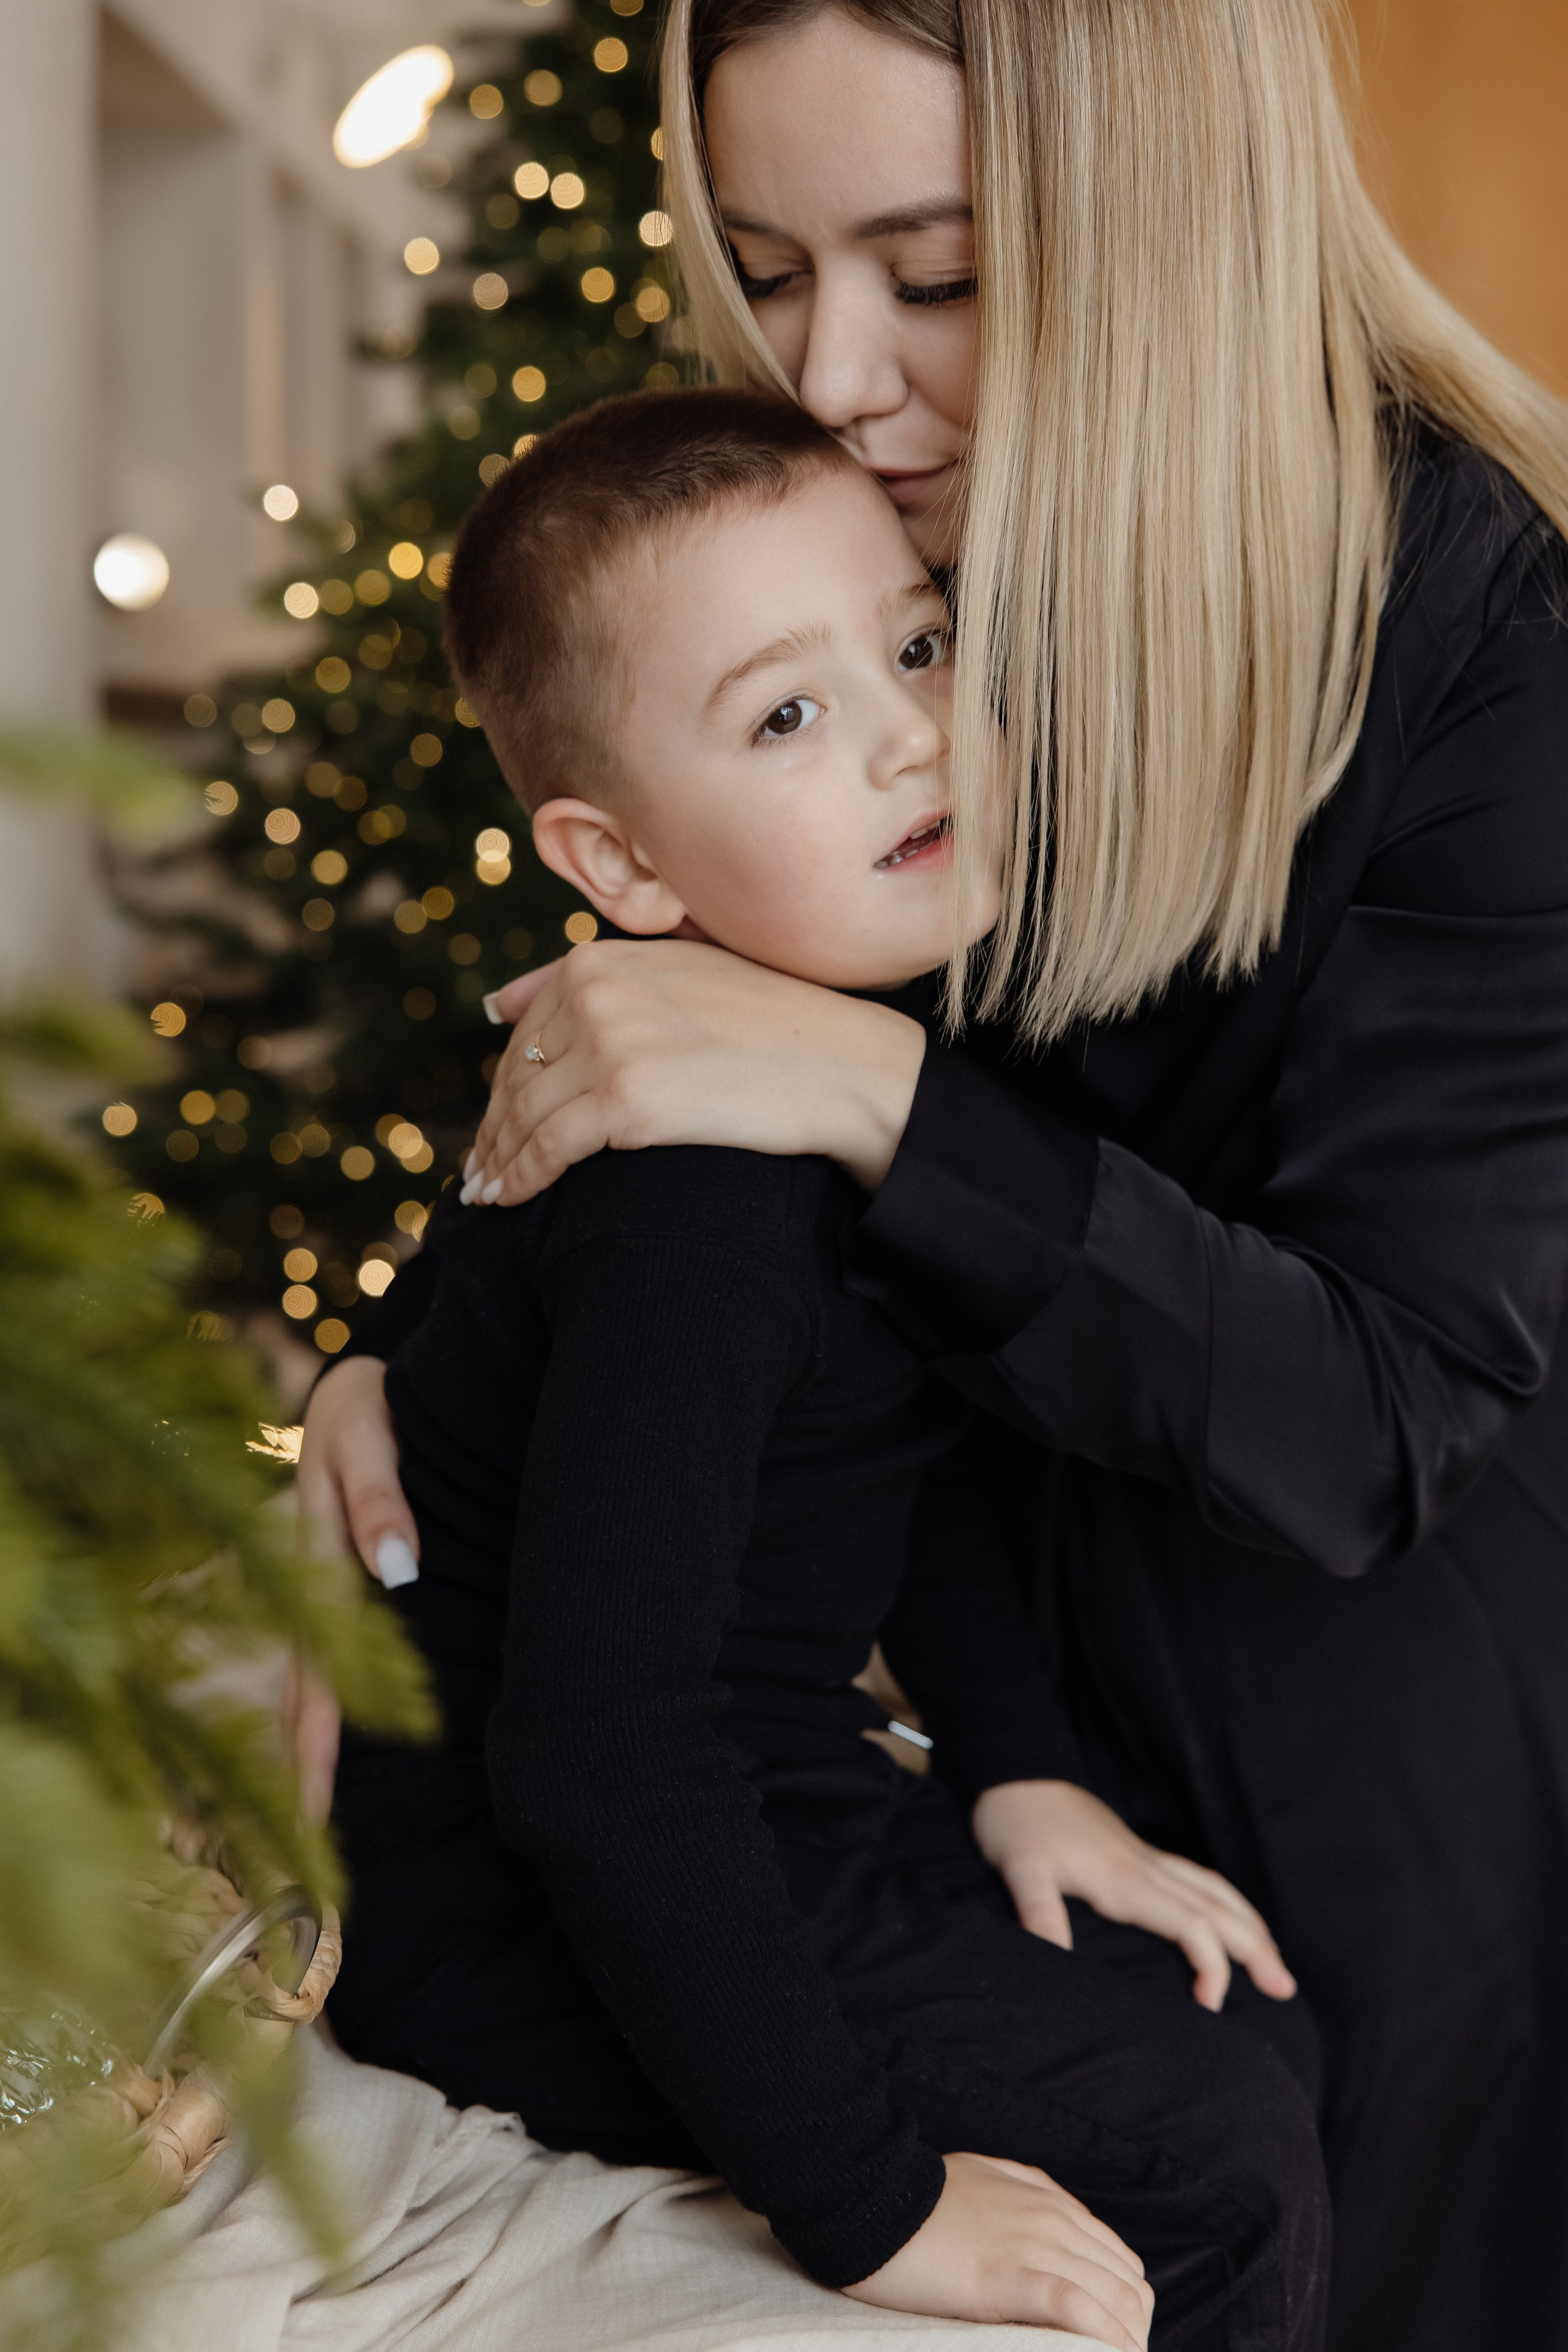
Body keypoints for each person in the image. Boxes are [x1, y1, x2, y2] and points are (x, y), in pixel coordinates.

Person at [298, 4, 1568, 2347]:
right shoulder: (878, 548)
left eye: (942, 268)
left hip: (1365, 1735)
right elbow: (649, 1001)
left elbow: (1376, 1420)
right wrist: (408, 1363)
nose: (837, 382)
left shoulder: (1482, 627)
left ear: (1160, 232)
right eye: (769, 270)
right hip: (978, 1722)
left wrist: (879, 1105)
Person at [324, 385, 1328, 2352]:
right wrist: (873, 2207)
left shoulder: (862, 1060)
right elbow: (601, 1758)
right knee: (1212, 2164)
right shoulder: (688, 1201)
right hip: (525, 1903)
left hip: (750, 1788)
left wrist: (1027, 1773)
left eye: (921, 641)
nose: (903, 729)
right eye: (789, 715)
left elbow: (896, 1457)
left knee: (1228, 2001)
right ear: (617, 861)